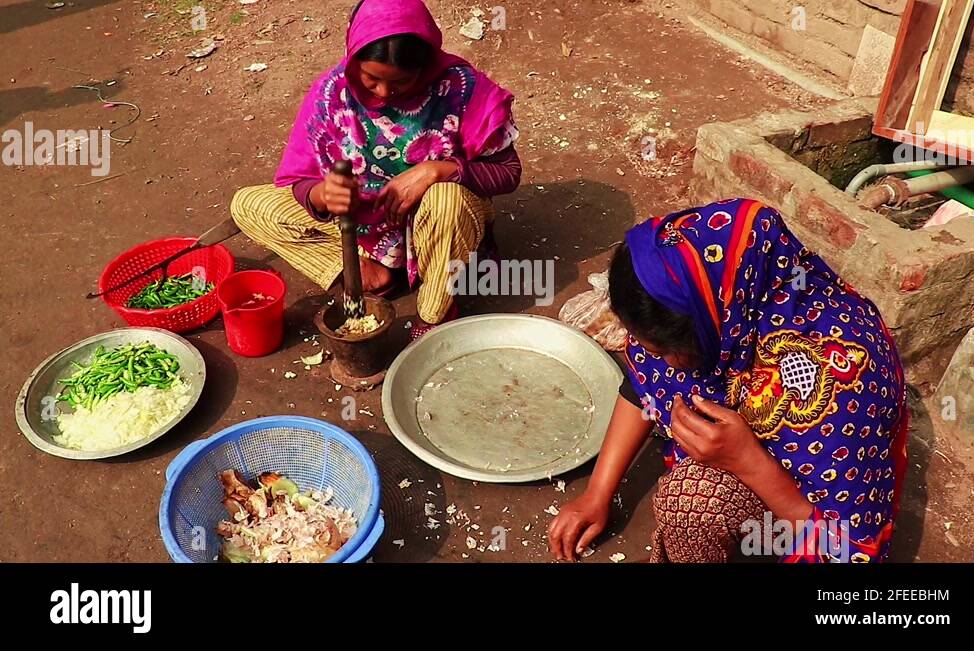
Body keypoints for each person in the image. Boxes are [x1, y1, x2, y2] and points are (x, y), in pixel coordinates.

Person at [547, 198, 909, 563]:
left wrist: (746, 459)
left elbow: (845, 547)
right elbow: (643, 387)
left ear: (712, 328)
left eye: (662, 351)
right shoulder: (711, 297)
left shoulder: (844, 378)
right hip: (751, 465)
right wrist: (597, 494)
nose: (651, 360)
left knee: (691, 499)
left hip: (811, 509)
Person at [230, 0, 521, 339]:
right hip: (365, 227)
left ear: (425, 65)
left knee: (447, 199)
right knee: (249, 206)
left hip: (437, 226)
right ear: (354, 59)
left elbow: (508, 172)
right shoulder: (332, 93)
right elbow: (300, 179)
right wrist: (321, 194)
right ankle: (373, 274)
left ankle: (434, 313)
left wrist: (437, 170)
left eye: (401, 82)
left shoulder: (463, 89)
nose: (384, 93)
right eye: (371, 79)